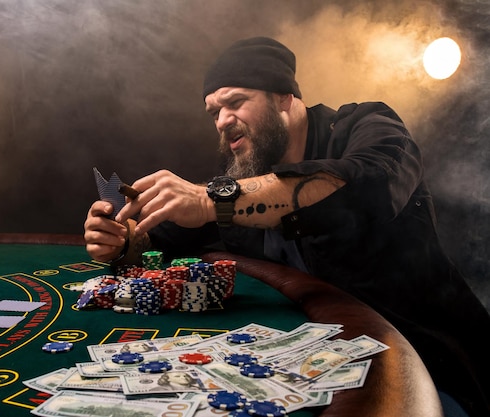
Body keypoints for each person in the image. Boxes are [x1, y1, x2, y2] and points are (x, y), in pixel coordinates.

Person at [84, 37, 490, 417]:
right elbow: (168, 239)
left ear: (284, 96)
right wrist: (123, 242)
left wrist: (210, 199)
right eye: (214, 112)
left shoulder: (366, 125)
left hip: (431, 373)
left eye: (236, 102)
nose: (223, 121)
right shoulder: (242, 175)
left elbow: (371, 186)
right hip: (320, 373)